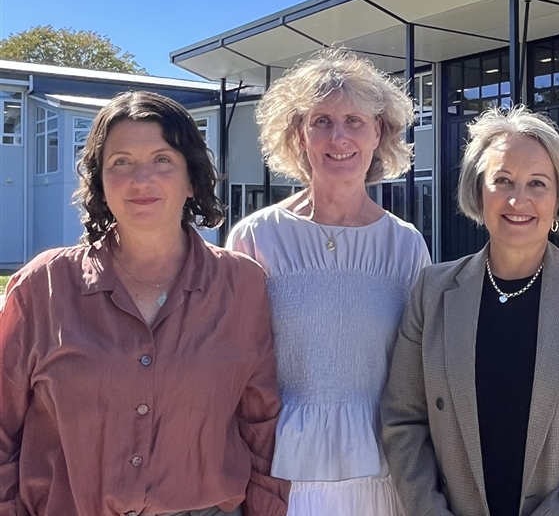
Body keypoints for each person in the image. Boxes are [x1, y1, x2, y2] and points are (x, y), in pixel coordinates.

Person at [0, 91, 285, 516]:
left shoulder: (242, 285)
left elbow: (262, 424)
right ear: (100, 180)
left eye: (162, 159)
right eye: (121, 162)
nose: (141, 179)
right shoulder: (44, 286)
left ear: (192, 179)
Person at [381, 106, 559, 516]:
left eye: (537, 183)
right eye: (502, 180)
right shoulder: (432, 292)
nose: (517, 199)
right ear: (478, 191)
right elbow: (403, 422)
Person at [226, 48, 430, 516]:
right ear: (298, 134)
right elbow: (232, 363)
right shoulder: (256, 237)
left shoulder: (405, 246)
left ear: (379, 131)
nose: (339, 136)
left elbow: (418, 369)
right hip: (282, 476)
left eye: (355, 120)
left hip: (383, 475)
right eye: (321, 121)